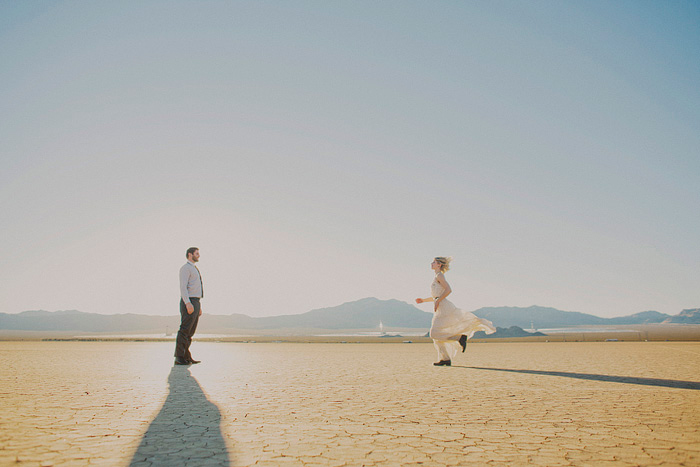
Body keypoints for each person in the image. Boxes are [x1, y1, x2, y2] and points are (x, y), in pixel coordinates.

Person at [416, 257, 496, 366]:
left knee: (434, 333)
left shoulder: (439, 276)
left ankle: (460, 337)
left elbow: (449, 290)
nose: (431, 263)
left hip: (443, 307)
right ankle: (445, 359)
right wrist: (423, 300)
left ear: (439, 264)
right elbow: (436, 295)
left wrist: (438, 301)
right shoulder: (436, 277)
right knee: (438, 337)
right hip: (439, 306)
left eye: (433, 262)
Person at [175, 247, 204, 365]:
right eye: (197, 253)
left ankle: (187, 356)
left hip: (195, 301)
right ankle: (179, 357)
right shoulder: (185, 268)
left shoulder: (194, 268)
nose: (199, 255)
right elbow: (183, 287)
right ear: (190, 254)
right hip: (189, 301)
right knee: (185, 330)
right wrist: (188, 303)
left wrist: (198, 306)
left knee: (190, 332)